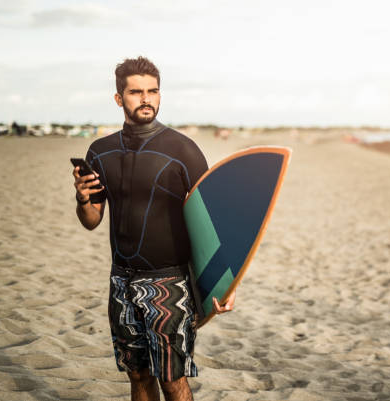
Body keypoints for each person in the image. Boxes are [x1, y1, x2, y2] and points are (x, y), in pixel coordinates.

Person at [72, 56, 235, 401]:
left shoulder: (183, 150)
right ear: (119, 98)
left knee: (172, 379)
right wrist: (83, 199)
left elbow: (210, 223)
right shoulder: (100, 152)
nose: (146, 99)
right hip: (121, 280)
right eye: (136, 92)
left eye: (153, 91)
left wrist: (224, 283)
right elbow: (92, 221)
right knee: (137, 374)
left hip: (169, 283)